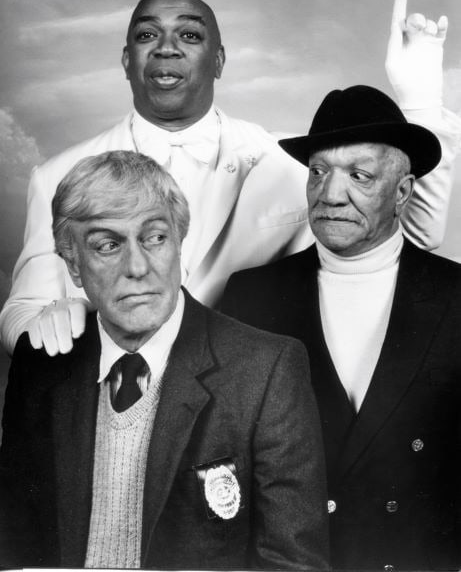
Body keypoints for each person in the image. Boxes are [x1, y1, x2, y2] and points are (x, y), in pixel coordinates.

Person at [0, 0, 460, 356]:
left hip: (243, 410)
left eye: (189, 35)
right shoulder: (56, 175)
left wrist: (422, 100)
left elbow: (406, 236)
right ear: (126, 60)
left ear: (219, 61)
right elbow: (22, 308)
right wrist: (45, 330)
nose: (166, 48)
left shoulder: (294, 163)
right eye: (147, 35)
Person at [0, 150, 329, 570]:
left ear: (179, 244)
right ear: (74, 267)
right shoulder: (41, 365)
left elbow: (294, 564)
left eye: (154, 237)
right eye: (107, 245)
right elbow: (12, 545)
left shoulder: (267, 369)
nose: (137, 267)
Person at [220, 85, 461, 570]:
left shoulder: (456, 296)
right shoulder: (250, 296)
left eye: (359, 175)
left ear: (403, 192)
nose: (330, 194)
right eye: (318, 171)